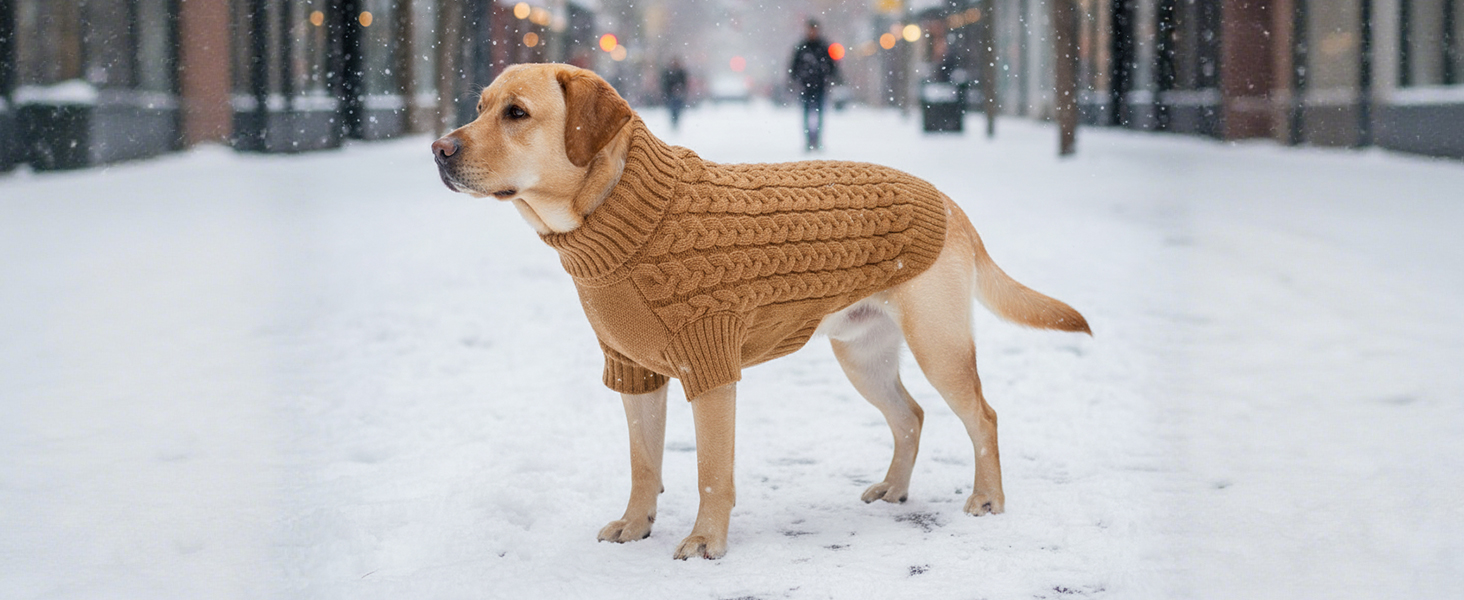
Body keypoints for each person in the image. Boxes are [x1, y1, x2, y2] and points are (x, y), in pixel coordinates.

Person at [788, 19, 838, 151]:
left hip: (820, 85)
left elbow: (832, 66)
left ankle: (818, 140)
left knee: (819, 114)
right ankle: (808, 141)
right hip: (806, 86)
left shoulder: (824, 46)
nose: (812, 32)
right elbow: (794, 66)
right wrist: (795, 79)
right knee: (806, 115)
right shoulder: (802, 47)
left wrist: (833, 78)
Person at [661, 58, 689, 131]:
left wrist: (680, 89)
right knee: (673, 109)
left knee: (677, 109)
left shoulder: (680, 72)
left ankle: (675, 121)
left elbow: (684, 82)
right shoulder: (668, 73)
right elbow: (665, 83)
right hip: (671, 94)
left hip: (678, 94)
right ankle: (674, 122)